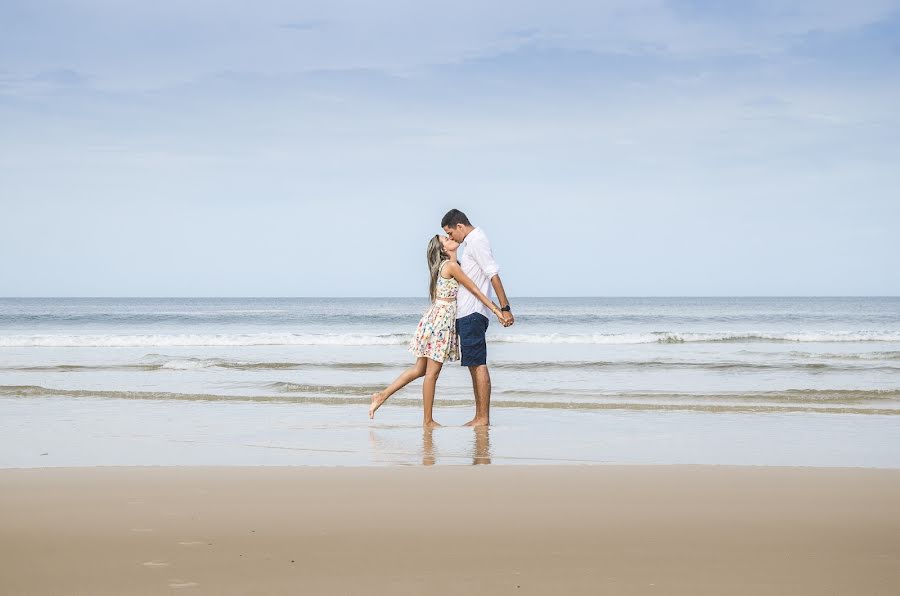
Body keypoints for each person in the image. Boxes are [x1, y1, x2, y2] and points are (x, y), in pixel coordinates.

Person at [369, 234, 506, 426]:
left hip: (434, 320)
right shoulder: (451, 266)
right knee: (431, 373)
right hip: (440, 323)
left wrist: (496, 310)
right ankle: (427, 420)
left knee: (420, 369)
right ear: (443, 249)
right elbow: (475, 290)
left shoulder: (450, 265)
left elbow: (471, 292)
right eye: (446, 239)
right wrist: (497, 310)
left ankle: (381, 396)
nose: (451, 239)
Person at [442, 209, 514, 427]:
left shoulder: (476, 241)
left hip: (473, 312)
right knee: (473, 364)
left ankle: (482, 417)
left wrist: (505, 307)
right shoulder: (470, 244)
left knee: (478, 364)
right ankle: (480, 416)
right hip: (468, 312)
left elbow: (493, 274)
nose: (451, 237)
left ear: (460, 226)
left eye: (450, 232)